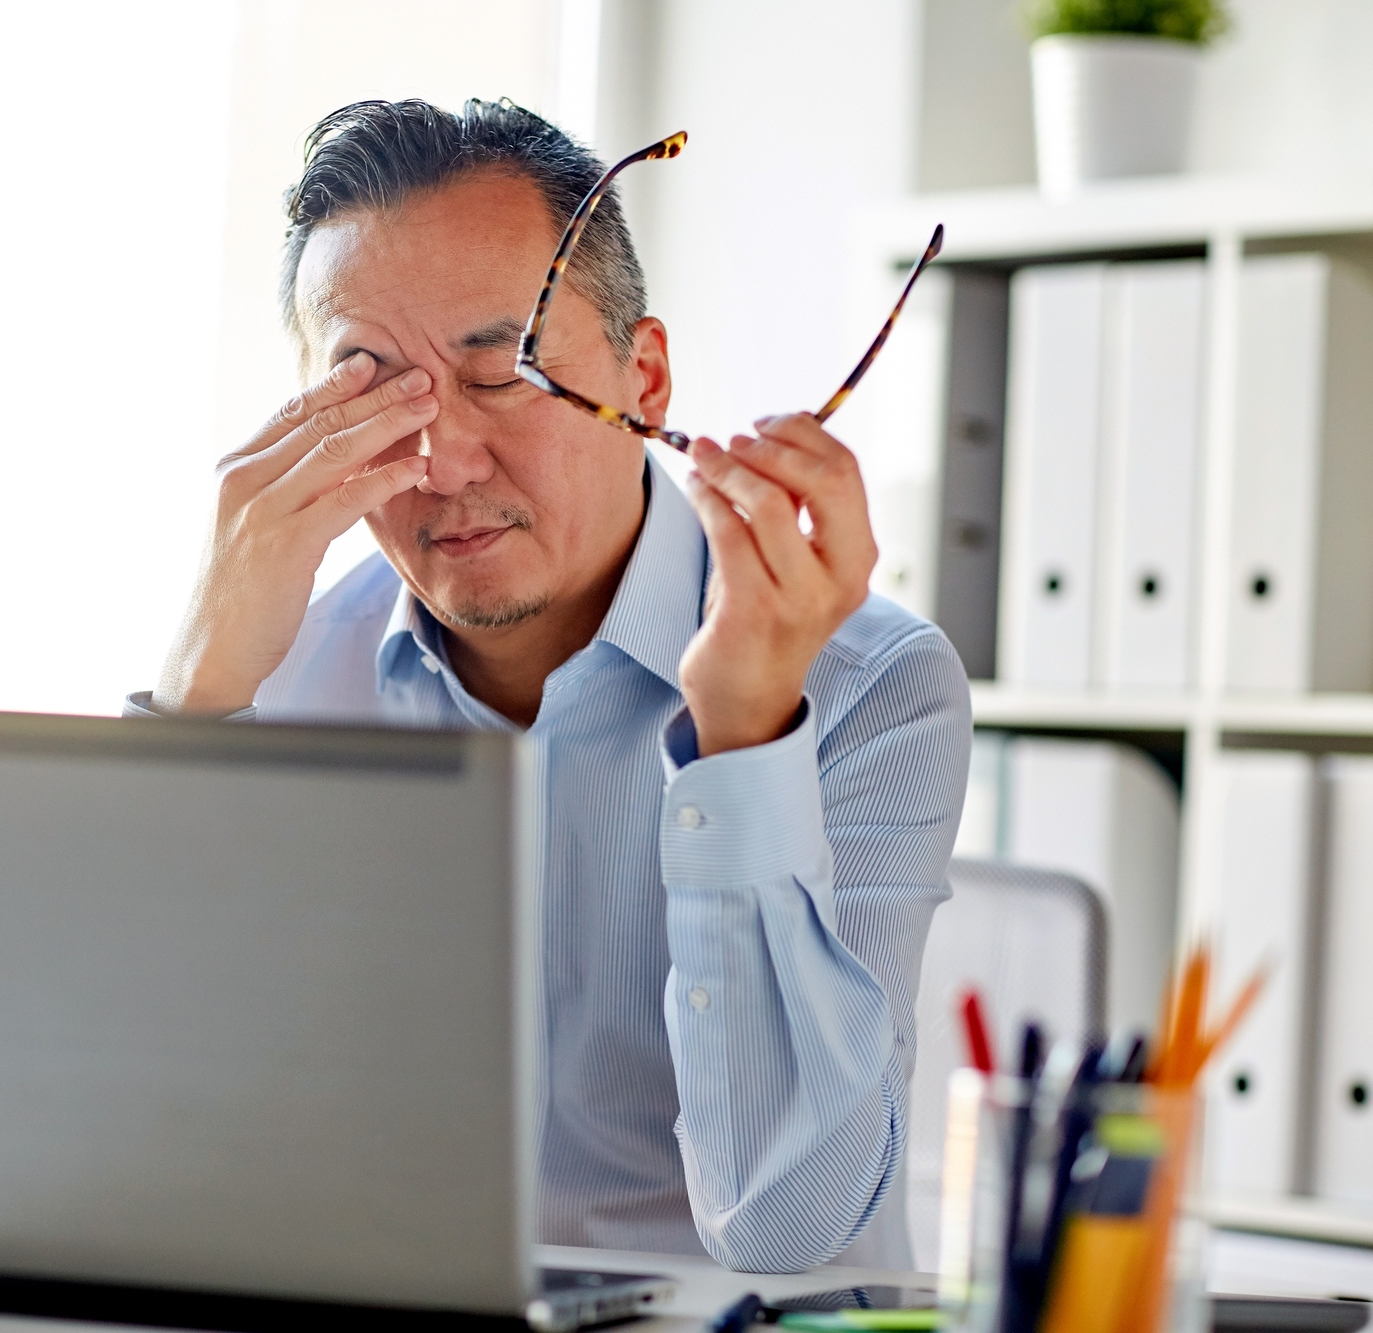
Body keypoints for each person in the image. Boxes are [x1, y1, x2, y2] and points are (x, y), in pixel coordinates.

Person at [128, 98, 968, 1273]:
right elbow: (125, 1147)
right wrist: (195, 696)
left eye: (501, 374)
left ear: (646, 378)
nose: (445, 465)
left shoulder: (869, 686)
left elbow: (788, 1227)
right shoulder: (277, 674)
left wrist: (741, 742)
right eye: (372, 397)